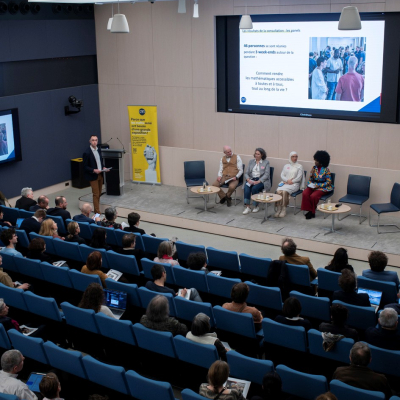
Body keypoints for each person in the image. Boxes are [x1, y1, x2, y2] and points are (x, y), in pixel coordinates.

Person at [301, 150, 333, 219]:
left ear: (321, 161)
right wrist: (311, 185)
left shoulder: (326, 170)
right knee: (305, 193)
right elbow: (310, 179)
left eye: (317, 161)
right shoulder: (313, 168)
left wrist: (319, 186)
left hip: (323, 187)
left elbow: (329, 182)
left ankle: (311, 212)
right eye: (315, 160)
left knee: (313, 196)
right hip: (314, 186)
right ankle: (310, 210)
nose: (315, 162)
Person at [83, 135, 109, 214]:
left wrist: (104, 167)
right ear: (90, 141)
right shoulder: (87, 152)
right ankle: (97, 212)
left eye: (96, 140)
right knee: (96, 194)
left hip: (100, 174)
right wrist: (93, 170)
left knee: (99, 193)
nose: (94, 142)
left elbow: (100, 161)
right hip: (93, 176)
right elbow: (85, 166)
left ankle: (96, 209)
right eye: (93, 140)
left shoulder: (99, 150)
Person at [274, 151, 305, 218]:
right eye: (293, 156)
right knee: (278, 191)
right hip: (285, 183)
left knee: (285, 192)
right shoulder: (286, 166)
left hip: (294, 184)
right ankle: (279, 209)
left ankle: (284, 209)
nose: (295, 158)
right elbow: (282, 175)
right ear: (290, 157)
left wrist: (291, 181)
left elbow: (299, 178)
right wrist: (287, 180)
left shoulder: (299, 166)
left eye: (296, 156)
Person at [242, 147, 270, 214]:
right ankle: (248, 207)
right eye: (255, 154)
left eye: (258, 154)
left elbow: (267, 174)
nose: (256, 155)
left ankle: (256, 206)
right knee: (246, 188)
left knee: (255, 188)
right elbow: (246, 173)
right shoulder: (251, 161)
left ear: (262, 155)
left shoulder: (266, 162)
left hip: (261, 180)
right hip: (251, 179)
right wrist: (248, 179)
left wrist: (259, 181)